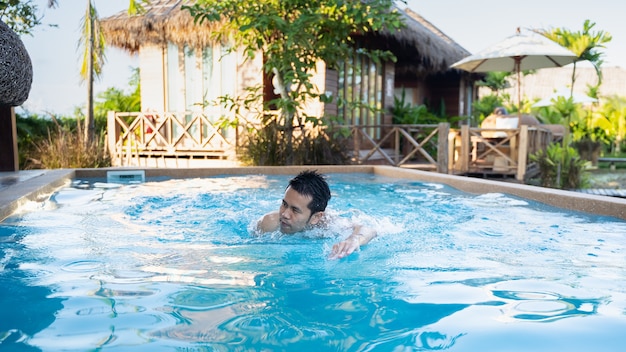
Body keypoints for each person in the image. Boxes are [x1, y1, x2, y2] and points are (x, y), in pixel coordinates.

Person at [256, 170, 376, 259]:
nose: (285, 214)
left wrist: (353, 239)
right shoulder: (268, 224)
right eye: (284, 204)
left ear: (316, 217)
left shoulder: (328, 225)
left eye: (295, 210)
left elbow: (369, 230)